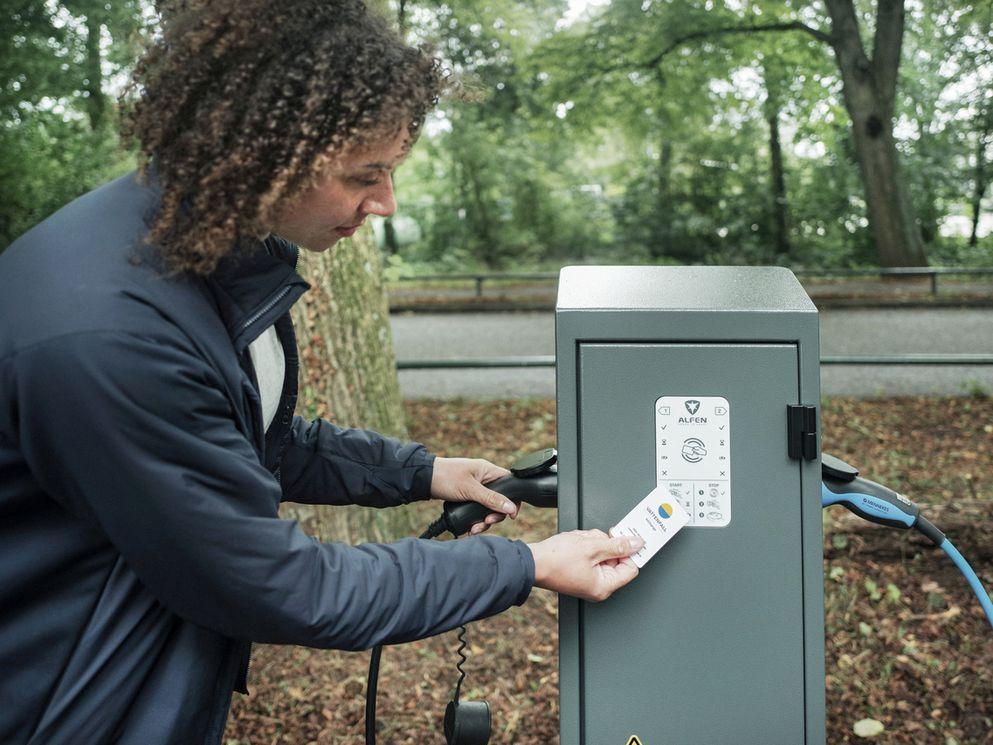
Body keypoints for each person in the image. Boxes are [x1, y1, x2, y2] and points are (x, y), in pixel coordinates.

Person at [0, 1, 643, 742]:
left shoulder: (212, 247)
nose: (384, 203)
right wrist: (523, 566)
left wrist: (421, 471)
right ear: (261, 148)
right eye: (363, 176)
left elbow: (242, 435)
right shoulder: (108, 330)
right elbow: (277, 585)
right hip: (63, 700)